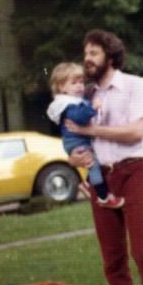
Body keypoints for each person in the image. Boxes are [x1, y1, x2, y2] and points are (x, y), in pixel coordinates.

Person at [66, 29, 143, 285]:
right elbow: (74, 138)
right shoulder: (85, 94)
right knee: (112, 257)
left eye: (93, 53)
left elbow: (136, 133)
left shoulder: (133, 85)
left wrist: (93, 130)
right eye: (86, 53)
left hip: (133, 172)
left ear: (110, 56)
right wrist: (74, 159)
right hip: (100, 177)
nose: (87, 59)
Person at [46, 62, 124, 208]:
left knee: (95, 163)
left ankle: (87, 184)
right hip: (77, 142)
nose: (79, 86)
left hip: (77, 140)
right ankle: (103, 197)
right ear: (61, 87)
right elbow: (80, 118)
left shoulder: (74, 101)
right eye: (74, 83)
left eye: (81, 82)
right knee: (93, 165)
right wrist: (93, 107)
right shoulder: (67, 105)